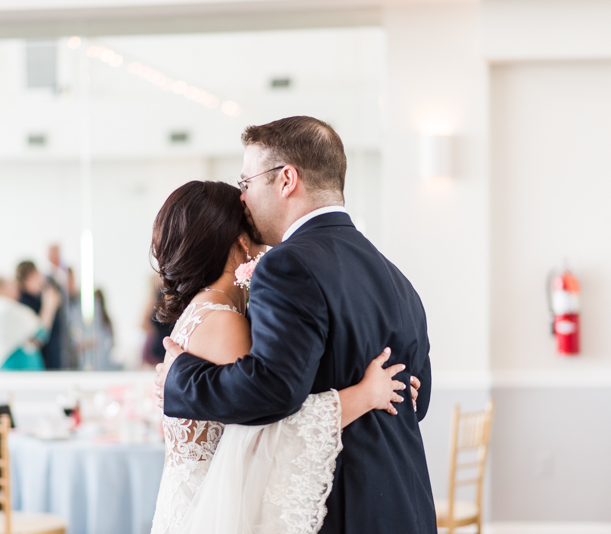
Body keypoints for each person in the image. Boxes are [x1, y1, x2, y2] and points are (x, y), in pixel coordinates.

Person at [155, 117, 435, 533]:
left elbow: (273, 391)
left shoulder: (288, 265)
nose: (243, 197)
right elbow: (419, 399)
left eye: (247, 181)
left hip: (343, 510)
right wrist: (379, 390)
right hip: (405, 503)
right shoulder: (395, 278)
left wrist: (181, 378)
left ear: (286, 179)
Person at [0, 276, 61, 372]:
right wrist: (50, 304)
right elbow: (41, 330)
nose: (16, 288)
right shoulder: (3, 307)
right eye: (10, 285)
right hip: (11, 376)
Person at [16, 261, 64, 370]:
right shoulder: (24, 303)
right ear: (30, 276)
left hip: (53, 357)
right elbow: (37, 336)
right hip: (40, 363)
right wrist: (49, 306)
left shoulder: (39, 298)